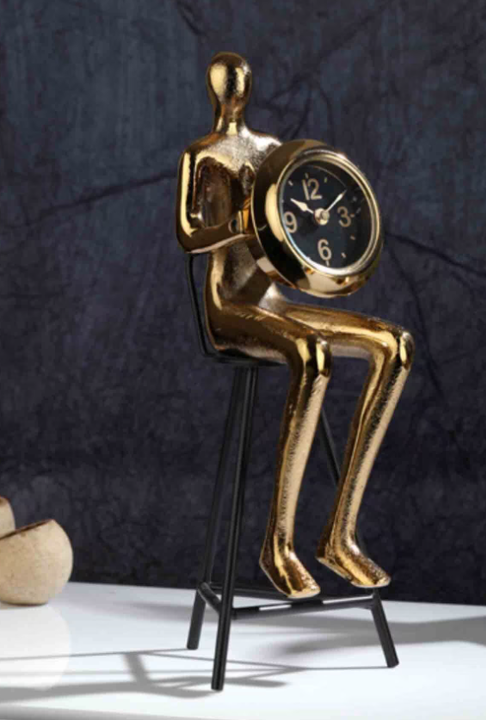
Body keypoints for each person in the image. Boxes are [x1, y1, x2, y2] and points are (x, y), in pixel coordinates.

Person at [176, 52, 414, 599]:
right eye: (227, 85)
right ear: (216, 90)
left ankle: (340, 536)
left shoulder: (270, 149)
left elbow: (293, 215)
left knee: (394, 345)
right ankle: (277, 546)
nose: (234, 93)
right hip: (230, 305)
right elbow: (188, 235)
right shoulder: (201, 154)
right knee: (311, 353)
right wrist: (238, 224)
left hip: (274, 298)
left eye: (240, 85)